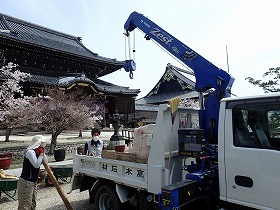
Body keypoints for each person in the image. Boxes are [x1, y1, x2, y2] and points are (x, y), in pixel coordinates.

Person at [17, 135, 49, 210]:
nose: (45, 143)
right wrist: (41, 154)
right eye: (43, 142)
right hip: (26, 182)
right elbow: (36, 165)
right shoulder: (30, 152)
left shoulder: (37, 151)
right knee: (25, 206)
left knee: (32, 204)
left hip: (32, 182)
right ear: (38, 143)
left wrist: (42, 153)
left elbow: (46, 161)